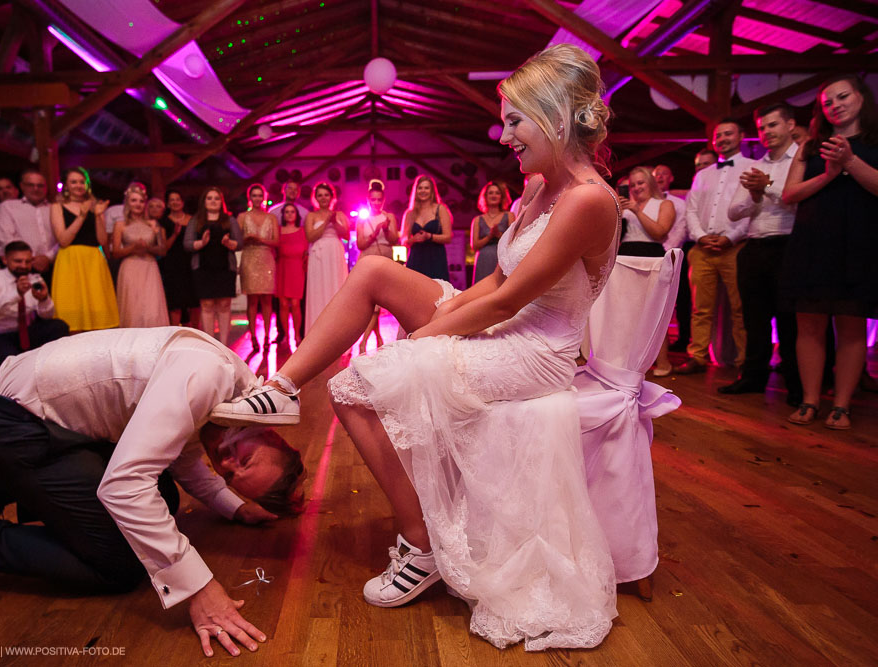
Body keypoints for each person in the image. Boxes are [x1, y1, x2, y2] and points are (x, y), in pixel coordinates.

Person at [211, 44, 620, 651]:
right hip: (503, 315)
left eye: (514, 120)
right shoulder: (538, 186)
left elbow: (509, 305)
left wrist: (422, 336)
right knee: (374, 272)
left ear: (556, 115)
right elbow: (500, 282)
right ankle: (280, 389)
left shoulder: (589, 199)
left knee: (355, 388)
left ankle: (422, 544)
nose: (504, 134)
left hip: (537, 348)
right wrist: (447, 306)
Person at [0, 327, 304, 658]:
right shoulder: (206, 378)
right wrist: (198, 588)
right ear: (269, 432)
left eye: (233, 476)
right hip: (14, 426)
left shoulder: (234, 397)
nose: (226, 465)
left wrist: (235, 507)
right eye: (244, 460)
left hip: (46, 420)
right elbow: (124, 486)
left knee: (164, 493)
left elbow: (179, 457)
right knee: (120, 564)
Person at [780, 75, 878, 430]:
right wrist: (830, 174)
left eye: (842, 97)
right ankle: (809, 400)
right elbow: (789, 194)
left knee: (852, 326)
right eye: (827, 102)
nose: (835, 105)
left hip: (859, 244)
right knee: (808, 325)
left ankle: (842, 405)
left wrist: (850, 162)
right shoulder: (810, 147)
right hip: (813, 243)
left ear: (861, 99)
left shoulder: (874, 143)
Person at [718, 103, 802, 404]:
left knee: (790, 320)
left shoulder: (802, 160)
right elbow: (734, 210)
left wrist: (767, 187)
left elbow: (798, 203)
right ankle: (753, 378)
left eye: (773, 125)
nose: (766, 132)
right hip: (754, 248)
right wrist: (755, 194)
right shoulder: (756, 166)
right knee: (754, 319)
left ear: (791, 125)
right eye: (763, 127)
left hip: (789, 246)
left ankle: (798, 385)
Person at [674, 120, 753, 374]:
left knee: (740, 307)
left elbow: (754, 209)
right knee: (701, 308)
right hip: (703, 249)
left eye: (728, 133)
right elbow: (691, 210)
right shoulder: (702, 175)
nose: (723, 139)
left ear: (741, 136)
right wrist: (700, 236)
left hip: (736, 247)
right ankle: (697, 356)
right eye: (719, 135)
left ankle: (744, 360)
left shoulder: (753, 168)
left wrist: (730, 237)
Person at [0, 241, 69, 378]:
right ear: (5, 260)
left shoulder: (35, 279)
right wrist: (17, 294)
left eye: (28, 261)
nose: (23, 266)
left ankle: (51, 375)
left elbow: (47, 316)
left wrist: (44, 300)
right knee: (11, 363)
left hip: (24, 332)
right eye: (18, 261)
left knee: (58, 326)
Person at [618, 166, 676, 376]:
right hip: (624, 257)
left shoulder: (664, 204)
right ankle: (629, 362)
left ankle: (663, 362)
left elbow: (660, 233)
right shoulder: (625, 208)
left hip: (651, 256)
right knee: (626, 313)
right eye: (632, 185)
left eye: (640, 183)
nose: (636, 187)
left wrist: (636, 210)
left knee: (654, 312)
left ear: (650, 183)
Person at [49, 167, 119, 332]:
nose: (78, 185)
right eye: (74, 182)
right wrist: (81, 215)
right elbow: (64, 240)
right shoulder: (57, 206)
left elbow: (102, 241)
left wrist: (96, 215)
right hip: (70, 260)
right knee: (72, 313)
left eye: (82, 182)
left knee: (98, 313)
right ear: (66, 185)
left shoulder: (95, 207)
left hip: (93, 260)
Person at [184, 187, 242, 344]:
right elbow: (187, 244)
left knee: (224, 305)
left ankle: (223, 344)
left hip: (224, 268)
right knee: (207, 305)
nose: (213, 201)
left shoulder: (230, 220)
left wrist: (228, 243)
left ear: (221, 202)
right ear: (204, 201)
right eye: (209, 198)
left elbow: (240, 244)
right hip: (203, 268)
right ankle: (211, 343)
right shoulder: (196, 220)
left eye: (216, 198)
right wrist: (201, 243)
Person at [111, 184, 169, 328]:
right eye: (134, 200)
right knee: (133, 310)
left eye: (141, 201)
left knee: (152, 310)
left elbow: (163, 250)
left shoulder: (152, 224)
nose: (138, 204)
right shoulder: (120, 224)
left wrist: (150, 244)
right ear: (127, 203)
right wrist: (133, 247)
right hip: (130, 267)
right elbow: (115, 252)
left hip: (149, 267)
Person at [356, 179, 399, 353]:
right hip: (368, 258)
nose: (376, 203)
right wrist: (374, 233)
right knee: (372, 304)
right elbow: (360, 244)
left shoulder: (389, 217)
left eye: (379, 199)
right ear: (368, 201)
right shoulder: (362, 220)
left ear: (383, 200)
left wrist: (387, 229)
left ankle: (374, 338)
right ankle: (365, 341)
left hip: (385, 258)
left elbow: (395, 239)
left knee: (379, 303)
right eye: (372, 200)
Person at [653, 164, 691, 352]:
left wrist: (665, 252)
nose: (659, 177)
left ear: (671, 178)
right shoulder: (645, 202)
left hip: (673, 255)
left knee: (681, 299)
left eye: (663, 174)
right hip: (651, 255)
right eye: (656, 174)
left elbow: (681, 229)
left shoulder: (679, 203)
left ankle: (683, 339)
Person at [238, 184, 279, 354]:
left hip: (266, 258)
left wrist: (260, 240)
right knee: (252, 300)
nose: (257, 198)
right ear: (250, 198)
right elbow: (237, 240)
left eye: (259, 195)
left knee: (267, 300)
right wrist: (246, 238)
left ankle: (268, 337)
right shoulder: (242, 216)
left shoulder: (271, 218)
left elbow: (276, 241)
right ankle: (253, 336)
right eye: (254, 195)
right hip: (249, 257)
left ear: (264, 197)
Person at [0, 169, 57, 284]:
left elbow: (62, 238)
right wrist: (31, 259)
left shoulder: (54, 209)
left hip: (53, 266)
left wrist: (47, 258)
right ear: (22, 186)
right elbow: (6, 239)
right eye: (31, 185)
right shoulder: (8, 207)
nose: (36, 189)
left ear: (46, 188)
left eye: (40, 185)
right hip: (22, 269)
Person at [304, 182, 349, 333]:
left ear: (331, 197)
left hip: (335, 252)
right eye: (320, 195)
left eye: (326, 195)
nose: (323, 198)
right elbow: (310, 236)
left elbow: (346, 235)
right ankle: (317, 332)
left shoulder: (340, 215)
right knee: (318, 291)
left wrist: (334, 221)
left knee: (336, 288)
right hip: (318, 254)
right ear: (316, 198)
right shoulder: (311, 215)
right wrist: (325, 222)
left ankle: (338, 330)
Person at [158, 190, 201, 328]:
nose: (175, 202)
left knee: (194, 303)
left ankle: (196, 335)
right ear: (168, 204)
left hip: (191, 265)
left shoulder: (193, 220)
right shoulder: (164, 222)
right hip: (172, 266)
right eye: (172, 200)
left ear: (182, 202)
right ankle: (175, 334)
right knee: (175, 303)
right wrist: (175, 235)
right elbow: (164, 248)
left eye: (178, 199)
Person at [402, 175, 453, 281]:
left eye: (426, 188)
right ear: (416, 191)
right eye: (420, 188)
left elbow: (448, 237)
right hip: (416, 258)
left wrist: (429, 236)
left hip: (436, 258)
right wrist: (414, 239)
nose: (423, 191)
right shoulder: (410, 213)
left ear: (432, 191)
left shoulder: (441, 209)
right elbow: (404, 241)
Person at [275, 202, 308, 350]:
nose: (289, 214)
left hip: (297, 268)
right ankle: (286, 336)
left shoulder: (302, 231)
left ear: (296, 214)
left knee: (295, 304)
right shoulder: (278, 230)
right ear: (283, 215)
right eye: (286, 212)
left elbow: (306, 252)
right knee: (282, 305)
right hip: (282, 268)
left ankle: (297, 335)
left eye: (292, 212)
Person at [470, 180, 514, 286]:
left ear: (502, 196)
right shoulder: (477, 219)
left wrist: (498, 234)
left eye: (497, 193)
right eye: (491, 193)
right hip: (483, 260)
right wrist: (489, 236)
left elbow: (514, 241)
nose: (494, 195)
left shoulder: (509, 216)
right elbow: (474, 246)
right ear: (485, 196)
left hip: (502, 259)